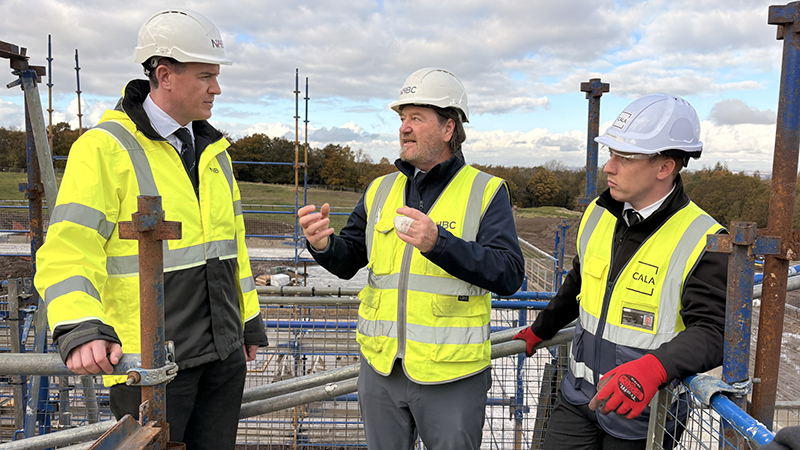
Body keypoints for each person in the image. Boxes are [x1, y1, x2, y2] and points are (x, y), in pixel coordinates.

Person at [34, 9, 267, 449]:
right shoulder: (105, 148)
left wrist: (248, 322)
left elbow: (231, 248)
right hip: (150, 362)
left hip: (222, 355)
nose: (216, 88)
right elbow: (68, 248)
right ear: (165, 75)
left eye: (216, 76)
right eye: (206, 76)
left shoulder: (214, 152)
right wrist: (80, 325)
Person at [298, 67, 525, 450]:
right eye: (403, 118)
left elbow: (509, 274)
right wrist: (323, 245)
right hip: (382, 369)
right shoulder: (380, 189)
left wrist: (440, 244)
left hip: (451, 375)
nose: (404, 128)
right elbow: (349, 259)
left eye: (417, 118)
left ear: (449, 128)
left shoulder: (485, 190)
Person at [513, 94, 727, 449]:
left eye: (623, 158)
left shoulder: (705, 239)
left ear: (664, 167)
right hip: (578, 398)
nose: (609, 167)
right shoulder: (599, 213)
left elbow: (714, 331)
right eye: (611, 154)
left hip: (645, 414)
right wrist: (541, 329)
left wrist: (654, 368)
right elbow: (580, 282)